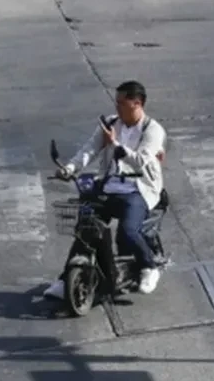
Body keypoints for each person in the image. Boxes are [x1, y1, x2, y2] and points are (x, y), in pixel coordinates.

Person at [43, 80, 167, 299]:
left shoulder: (153, 130)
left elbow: (140, 161)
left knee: (128, 232)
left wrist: (116, 144)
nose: (116, 107)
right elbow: (89, 149)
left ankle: (148, 267)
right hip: (109, 186)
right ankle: (65, 280)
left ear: (137, 103)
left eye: (121, 103)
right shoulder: (111, 123)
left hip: (137, 190)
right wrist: (70, 168)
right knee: (86, 229)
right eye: (116, 102)